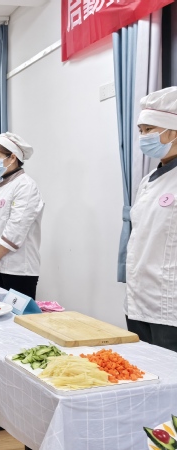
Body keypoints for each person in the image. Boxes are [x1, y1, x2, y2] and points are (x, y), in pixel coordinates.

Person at [125, 86, 177, 352]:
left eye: (150, 129)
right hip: (139, 299)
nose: (143, 137)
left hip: (170, 305)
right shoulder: (147, 181)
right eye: (141, 130)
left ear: (173, 132)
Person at [0, 132, 44, 300]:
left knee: (18, 316)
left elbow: (16, 228)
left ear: (12, 157)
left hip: (18, 269)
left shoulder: (26, 186)